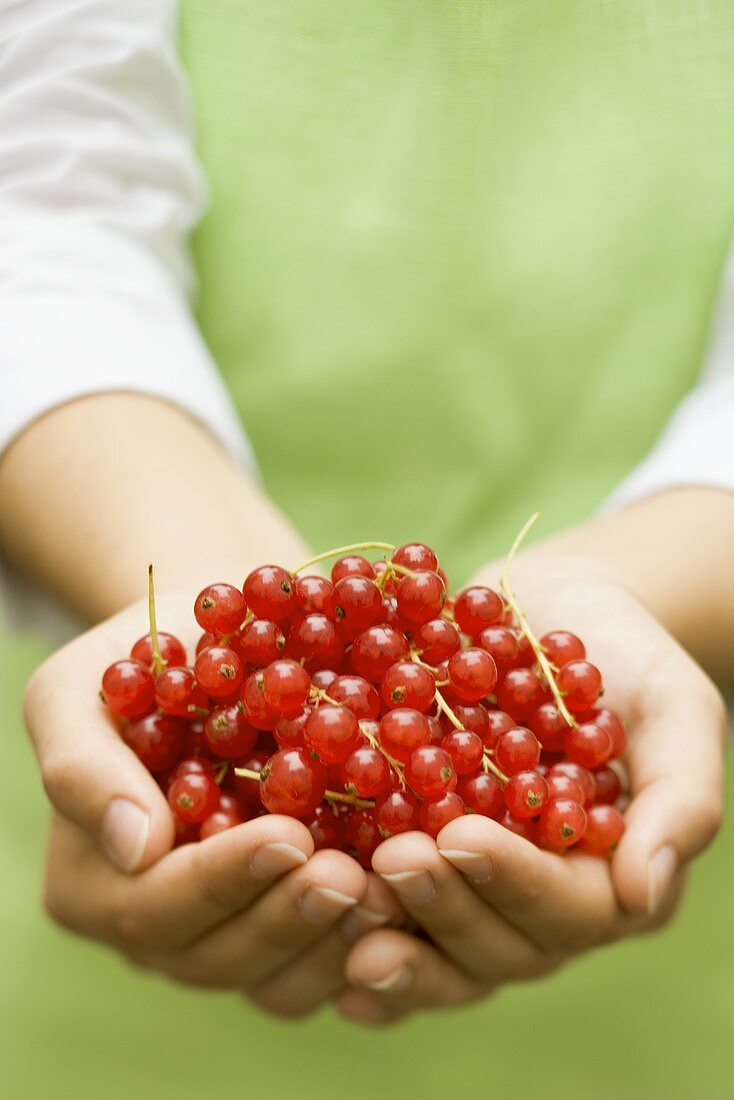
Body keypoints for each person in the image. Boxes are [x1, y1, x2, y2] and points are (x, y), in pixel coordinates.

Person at [0, 0, 730, 1037]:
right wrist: (181, 556)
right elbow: (37, 207)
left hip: (669, 1008)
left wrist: (644, 585)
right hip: (112, 933)